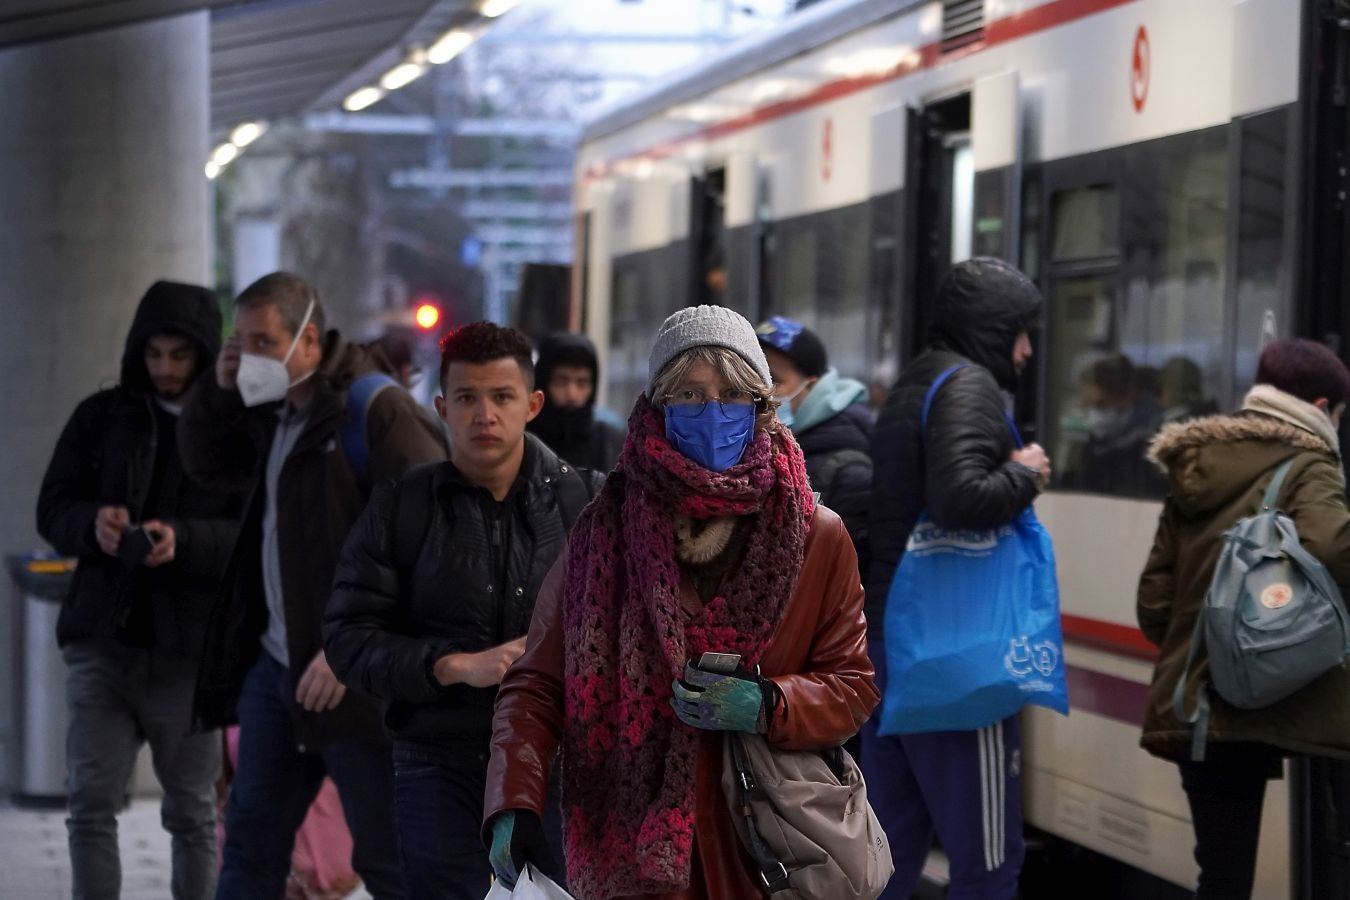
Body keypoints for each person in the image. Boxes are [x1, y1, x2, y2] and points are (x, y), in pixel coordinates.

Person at [481, 305, 878, 898]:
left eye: (731, 395)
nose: (711, 414)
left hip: (761, 842)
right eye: (688, 395)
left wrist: (768, 703)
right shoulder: (602, 532)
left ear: (761, 408)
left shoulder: (816, 536)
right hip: (634, 842)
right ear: (657, 410)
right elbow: (537, 683)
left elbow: (853, 686)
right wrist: (514, 797)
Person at [177, 272, 446, 900]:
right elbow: (208, 467)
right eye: (239, 342)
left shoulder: (373, 409)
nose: (251, 358)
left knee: (387, 860)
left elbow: (433, 542)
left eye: (264, 342)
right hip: (276, 672)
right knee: (249, 848)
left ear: (308, 340)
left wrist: (355, 647)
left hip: (351, 684)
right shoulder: (275, 412)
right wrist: (219, 395)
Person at [326, 322, 598, 899]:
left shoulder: (584, 505)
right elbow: (349, 637)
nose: (485, 415)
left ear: (532, 403)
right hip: (435, 762)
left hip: (556, 764)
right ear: (442, 407)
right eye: (468, 399)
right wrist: (451, 665)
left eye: (501, 397)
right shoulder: (403, 507)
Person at [36, 280, 239, 900]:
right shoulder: (103, 416)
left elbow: (252, 534)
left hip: (188, 652)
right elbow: (52, 508)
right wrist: (92, 525)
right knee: (90, 804)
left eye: (180, 355)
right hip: (104, 639)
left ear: (203, 353)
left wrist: (183, 538)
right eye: (154, 355)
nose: (166, 369)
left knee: (192, 814)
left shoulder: (234, 428)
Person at [865, 257, 1049, 900]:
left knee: (890, 852)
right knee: (988, 862)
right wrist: (1025, 472)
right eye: (1022, 332)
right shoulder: (969, 386)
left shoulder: (915, 383)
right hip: (958, 653)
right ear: (993, 327)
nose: (1026, 350)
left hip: (893, 642)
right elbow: (960, 495)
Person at [1139, 338, 1350, 899]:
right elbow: (1332, 547)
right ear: (1324, 406)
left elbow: (1154, 601)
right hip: (1294, 694)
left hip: (1203, 703)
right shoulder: (1313, 464)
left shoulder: (1195, 463)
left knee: (1223, 877)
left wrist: (1217, 652)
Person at [757, 315, 874, 569]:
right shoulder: (757, 449)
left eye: (773, 381)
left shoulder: (849, 469)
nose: (760, 394)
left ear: (812, 386)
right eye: (753, 380)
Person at [527, 331, 625, 473]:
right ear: (543, 382)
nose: (572, 394)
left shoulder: (610, 442)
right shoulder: (523, 439)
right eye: (561, 382)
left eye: (582, 383)